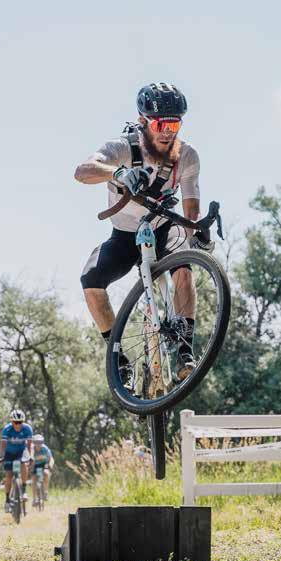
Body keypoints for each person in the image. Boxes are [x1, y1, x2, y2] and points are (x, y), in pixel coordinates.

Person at [75, 82, 205, 379]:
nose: (167, 132)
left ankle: (185, 350)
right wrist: (118, 173)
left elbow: (191, 207)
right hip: (125, 235)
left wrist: (198, 236)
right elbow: (82, 171)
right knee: (90, 280)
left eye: (174, 124)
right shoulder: (122, 147)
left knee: (184, 265)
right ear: (143, 121)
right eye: (160, 124)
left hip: (164, 227)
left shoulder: (187, 155)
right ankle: (118, 359)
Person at [0, 409, 33, 511]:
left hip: (21, 451)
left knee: (24, 464)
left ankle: (24, 490)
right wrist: (2, 456)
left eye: (20, 422)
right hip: (9, 453)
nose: (18, 425)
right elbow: (3, 445)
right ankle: (7, 500)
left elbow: (29, 445)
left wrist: (31, 456)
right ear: (11, 421)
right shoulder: (7, 429)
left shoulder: (27, 429)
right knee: (9, 475)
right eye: (15, 422)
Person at [31, 434, 54, 505]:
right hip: (35, 465)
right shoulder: (32, 449)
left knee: (46, 473)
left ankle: (45, 491)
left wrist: (50, 465)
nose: (39, 444)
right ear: (34, 443)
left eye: (40, 442)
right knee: (34, 479)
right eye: (36, 442)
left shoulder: (45, 449)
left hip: (43, 464)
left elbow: (51, 458)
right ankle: (34, 499)